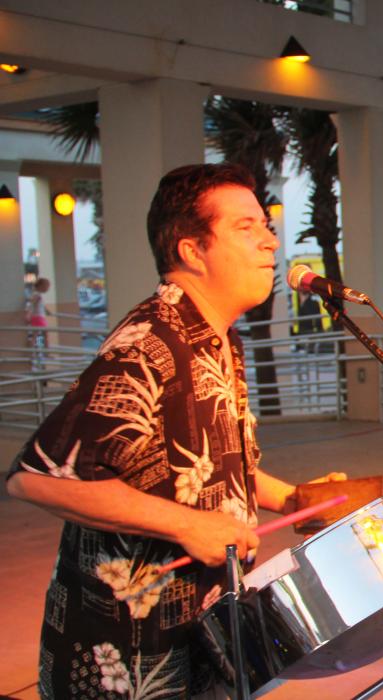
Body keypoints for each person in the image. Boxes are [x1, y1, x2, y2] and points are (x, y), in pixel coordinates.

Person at [5, 164, 347, 698]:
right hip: (124, 658)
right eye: (245, 227)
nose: (270, 241)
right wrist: (187, 525)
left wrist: (296, 499)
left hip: (196, 636)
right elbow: (37, 477)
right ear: (192, 251)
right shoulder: (148, 345)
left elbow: (212, 468)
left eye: (265, 226)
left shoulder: (219, 339)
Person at [26, 276, 50, 350]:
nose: (47, 288)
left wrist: (47, 311)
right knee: (45, 335)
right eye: (47, 286)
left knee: (35, 335)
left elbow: (40, 305)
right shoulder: (37, 295)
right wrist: (28, 314)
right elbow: (32, 304)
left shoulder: (37, 294)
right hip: (39, 317)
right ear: (41, 286)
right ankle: (47, 351)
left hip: (37, 317)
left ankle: (33, 351)